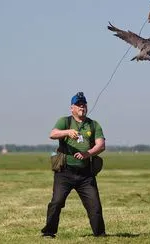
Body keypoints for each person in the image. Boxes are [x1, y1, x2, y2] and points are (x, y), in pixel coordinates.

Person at [41, 92, 106, 238]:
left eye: (84, 104)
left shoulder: (93, 124)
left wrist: (88, 153)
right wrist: (67, 132)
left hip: (85, 174)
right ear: (72, 108)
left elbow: (101, 145)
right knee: (56, 202)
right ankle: (49, 233)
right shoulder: (65, 121)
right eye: (78, 104)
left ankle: (100, 234)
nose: (82, 106)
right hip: (64, 172)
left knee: (94, 206)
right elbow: (52, 134)